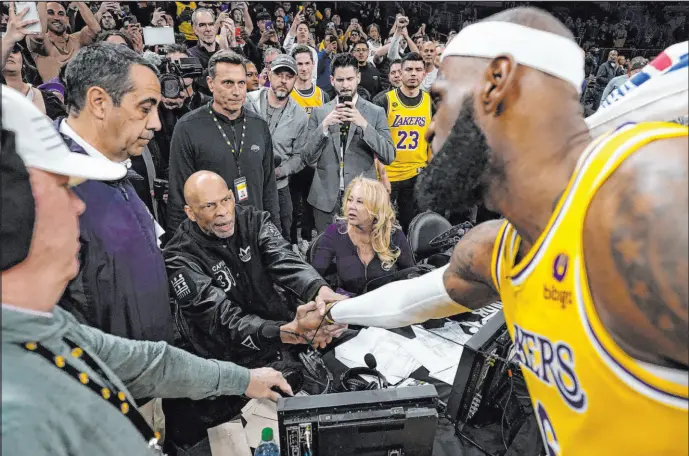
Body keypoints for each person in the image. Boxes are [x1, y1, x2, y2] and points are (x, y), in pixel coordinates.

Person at [302, 8, 689, 455]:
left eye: (442, 98)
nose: (429, 126)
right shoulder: (497, 249)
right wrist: (333, 313)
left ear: (496, 80)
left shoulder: (645, 207)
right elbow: (410, 301)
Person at [1, 84, 293, 456]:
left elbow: (150, 362)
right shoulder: (17, 417)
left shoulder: (48, 325)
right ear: (15, 214)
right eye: (62, 188)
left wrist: (245, 379)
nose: (76, 207)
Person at [162, 170, 345, 449]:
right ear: (190, 212)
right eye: (209, 206)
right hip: (224, 363)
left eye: (226, 200)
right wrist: (284, 332)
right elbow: (222, 320)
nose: (223, 212)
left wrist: (320, 291)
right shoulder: (179, 257)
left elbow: (285, 260)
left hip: (273, 346)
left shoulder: (254, 220)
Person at [49, 43, 171, 345]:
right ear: (100, 102)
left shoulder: (115, 171)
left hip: (146, 376)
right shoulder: (43, 188)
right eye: (145, 108)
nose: (155, 123)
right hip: (102, 387)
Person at [167, 50, 280, 237]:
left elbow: (269, 187)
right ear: (211, 84)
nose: (236, 92)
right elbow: (179, 197)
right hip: (210, 238)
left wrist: (275, 234)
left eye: (241, 83)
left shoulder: (259, 125)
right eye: (228, 83)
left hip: (255, 234)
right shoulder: (187, 127)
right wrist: (180, 250)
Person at [303, 53, 395, 233]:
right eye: (340, 79)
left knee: (360, 254)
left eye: (350, 79)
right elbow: (306, 156)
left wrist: (364, 125)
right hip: (325, 200)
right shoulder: (320, 113)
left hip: (363, 198)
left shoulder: (375, 112)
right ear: (331, 80)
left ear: (358, 78)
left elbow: (389, 155)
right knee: (327, 254)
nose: (345, 85)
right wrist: (324, 125)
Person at [311, 177, 415, 296]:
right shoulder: (335, 232)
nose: (351, 206)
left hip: (385, 304)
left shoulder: (393, 234)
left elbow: (411, 276)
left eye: (359, 202)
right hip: (348, 305)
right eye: (350, 200)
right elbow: (314, 278)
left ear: (376, 207)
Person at [245, 54, 309, 241]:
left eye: (289, 77)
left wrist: (282, 170)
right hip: (247, 183)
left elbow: (300, 156)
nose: (283, 81)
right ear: (269, 75)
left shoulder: (299, 116)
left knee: (283, 232)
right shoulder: (248, 102)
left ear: (295, 80)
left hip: (279, 185)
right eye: (279, 74)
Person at [374, 52, 434, 233]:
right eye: (409, 69)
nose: (413, 73)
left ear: (424, 73)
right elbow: (374, 141)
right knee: (382, 226)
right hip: (388, 174)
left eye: (418, 70)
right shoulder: (384, 100)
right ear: (400, 72)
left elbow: (433, 140)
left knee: (413, 227)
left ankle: (412, 260)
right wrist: (380, 173)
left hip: (416, 173)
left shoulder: (430, 102)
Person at [290, 44, 330, 252]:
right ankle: (292, 242)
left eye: (307, 63)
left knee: (309, 203)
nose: (304, 68)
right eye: (299, 64)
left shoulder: (322, 96)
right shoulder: (288, 93)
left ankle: (307, 239)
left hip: (315, 159)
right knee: (292, 205)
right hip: (293, 157)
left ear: (314, 65)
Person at [27, 1, 100, 82]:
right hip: (56, 93)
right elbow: (39, 34)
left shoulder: (78, 39)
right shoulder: (41, 43)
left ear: (67, 19)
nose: (57, 18)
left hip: (81, 91)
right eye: (50, 13)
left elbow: (95, 29)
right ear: (43, 17)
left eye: (61, 14)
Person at [2, 43, 45, 114]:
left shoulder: (49, 98)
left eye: (14, 50)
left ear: (24, 62)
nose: (9, 54)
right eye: (2, 51)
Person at [283, 12, 318, 84]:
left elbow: (313, 74)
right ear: (296, 33)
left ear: (308, 34)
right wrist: (294, 23)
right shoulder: (292, 47)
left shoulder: (312, 51)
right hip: (292, 84)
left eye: (305, 30)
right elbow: (285, 47)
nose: (303, 32)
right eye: (300, 29)